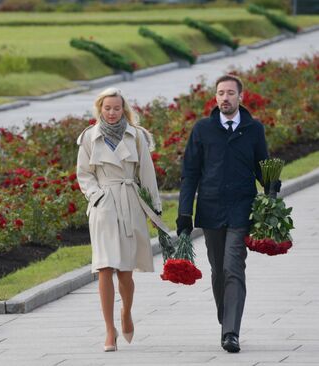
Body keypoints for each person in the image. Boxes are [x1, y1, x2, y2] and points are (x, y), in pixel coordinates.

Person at [176, 74, 279, 353]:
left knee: (234, 266)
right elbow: (190, 174)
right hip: (210, 211)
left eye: (230, 93)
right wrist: (184, 213)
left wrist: (272, 191)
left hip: (241, 210)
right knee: (218, 271)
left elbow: (263, 166)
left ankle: (231, 331)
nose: (225, 97)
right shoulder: (202, 130)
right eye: (220, 93)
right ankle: (227, 319)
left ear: (240, 97)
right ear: (215, 97)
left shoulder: (253, 129)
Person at [76, 87, 162, 352]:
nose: (111, 113)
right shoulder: (90, 137)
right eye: (107, 108)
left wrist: (155, 208)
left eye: (116, 108)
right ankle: (109, 330)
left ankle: (126, 312)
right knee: (104, 267)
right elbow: (83, 174)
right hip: (103, 207)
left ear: (123, 110)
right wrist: (96, 196)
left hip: (130, 203)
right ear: (100, 109)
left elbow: (147, 175)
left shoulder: (136, 136)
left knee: (125, 271)